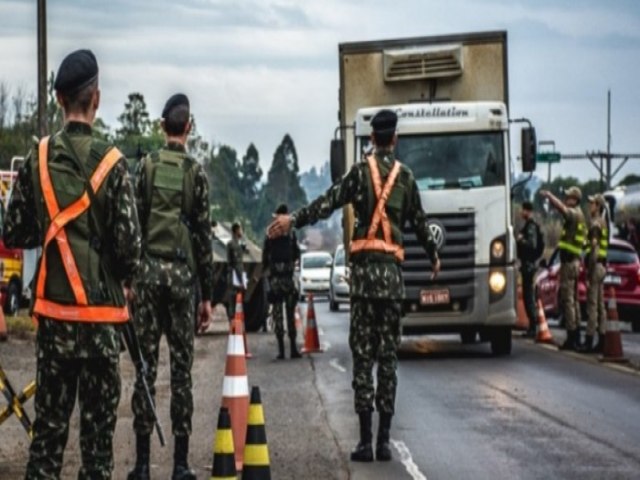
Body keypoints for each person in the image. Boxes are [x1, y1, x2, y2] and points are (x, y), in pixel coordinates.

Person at [267, 109, 440, 463]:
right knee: (388, 358)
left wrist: (292, 220)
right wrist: (434, 254)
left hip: (362, 284)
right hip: (391, 282)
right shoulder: (406, 178)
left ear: (372, 139)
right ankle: (384, 441)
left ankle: (364, 441)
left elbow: (327, 203)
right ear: (395, 139)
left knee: (363, 357)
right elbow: (421, 226)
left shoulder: (360, 174)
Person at [3, 49, 141, 479]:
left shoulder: (38, 159)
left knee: (46, 443)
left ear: (59, 100)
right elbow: (130, 250)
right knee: (97, 451)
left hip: (55, 322)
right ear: (95, 99)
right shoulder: (115, 165)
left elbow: (13, 232)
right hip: (102, 324)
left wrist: (51, 233)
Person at [128, 93, 213, 480]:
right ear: (189, 128)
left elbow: (131, 228)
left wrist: (129, 280)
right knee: (182, 372)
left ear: (163, 127)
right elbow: (203, 241)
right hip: (181, 282)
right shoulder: (196, 175)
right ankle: (180, 464)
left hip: (146, 281)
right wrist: (207, 296)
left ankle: (143, 465)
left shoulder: (144, 167)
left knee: (145, 368)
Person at [540, 186, 586, 350]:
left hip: (569, 263)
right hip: (574, 263)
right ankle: (576, 336)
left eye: (569, 197)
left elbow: (562, 210)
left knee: (568, 301)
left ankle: (572, 337)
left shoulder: (574, 214)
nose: (566, 200)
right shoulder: (580, 216)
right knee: (573, 300)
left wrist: (550, 197)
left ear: (575, 199)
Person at [262, 204, 302, 359]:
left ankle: (281, 351)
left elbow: (265, 257)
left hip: (276, 280)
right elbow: (297, 253)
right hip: (288, 278)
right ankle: (293, 349)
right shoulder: (290, 233)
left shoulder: (270, 233)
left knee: (277, 314)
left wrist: (267, 272)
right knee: (291, 314)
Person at [580, 194, 609, 353]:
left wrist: (589, 273)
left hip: (596, 267)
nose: (589, 205)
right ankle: (602, 340)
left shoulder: (595, 224)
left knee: (592, 306)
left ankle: (589, 340)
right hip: (602, 267)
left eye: (592, 203)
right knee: (600, 305)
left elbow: (594, 251)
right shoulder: (603, 223)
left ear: (598, 206)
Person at [516, 201, 541, 337]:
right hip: (527, 264)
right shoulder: (529, 225)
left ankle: (533, 326)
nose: (521, 212)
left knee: (528, 296)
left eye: (523, 210)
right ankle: (532, 326)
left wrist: (521, 240)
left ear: (528, 211)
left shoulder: (530, 227)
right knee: (527, 295)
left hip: (529, 265)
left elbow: (532, 245)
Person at [226, 222, 246, 319]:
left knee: (235, 301)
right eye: (240, 229)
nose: (242, 232)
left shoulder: (237, 244)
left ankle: (235, 321)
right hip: (234, 276)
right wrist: (241, 280)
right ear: (236, 231)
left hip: (235, 276)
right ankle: (233, 322)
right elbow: (236, 263)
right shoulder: (233, 245)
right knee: (233, 301)